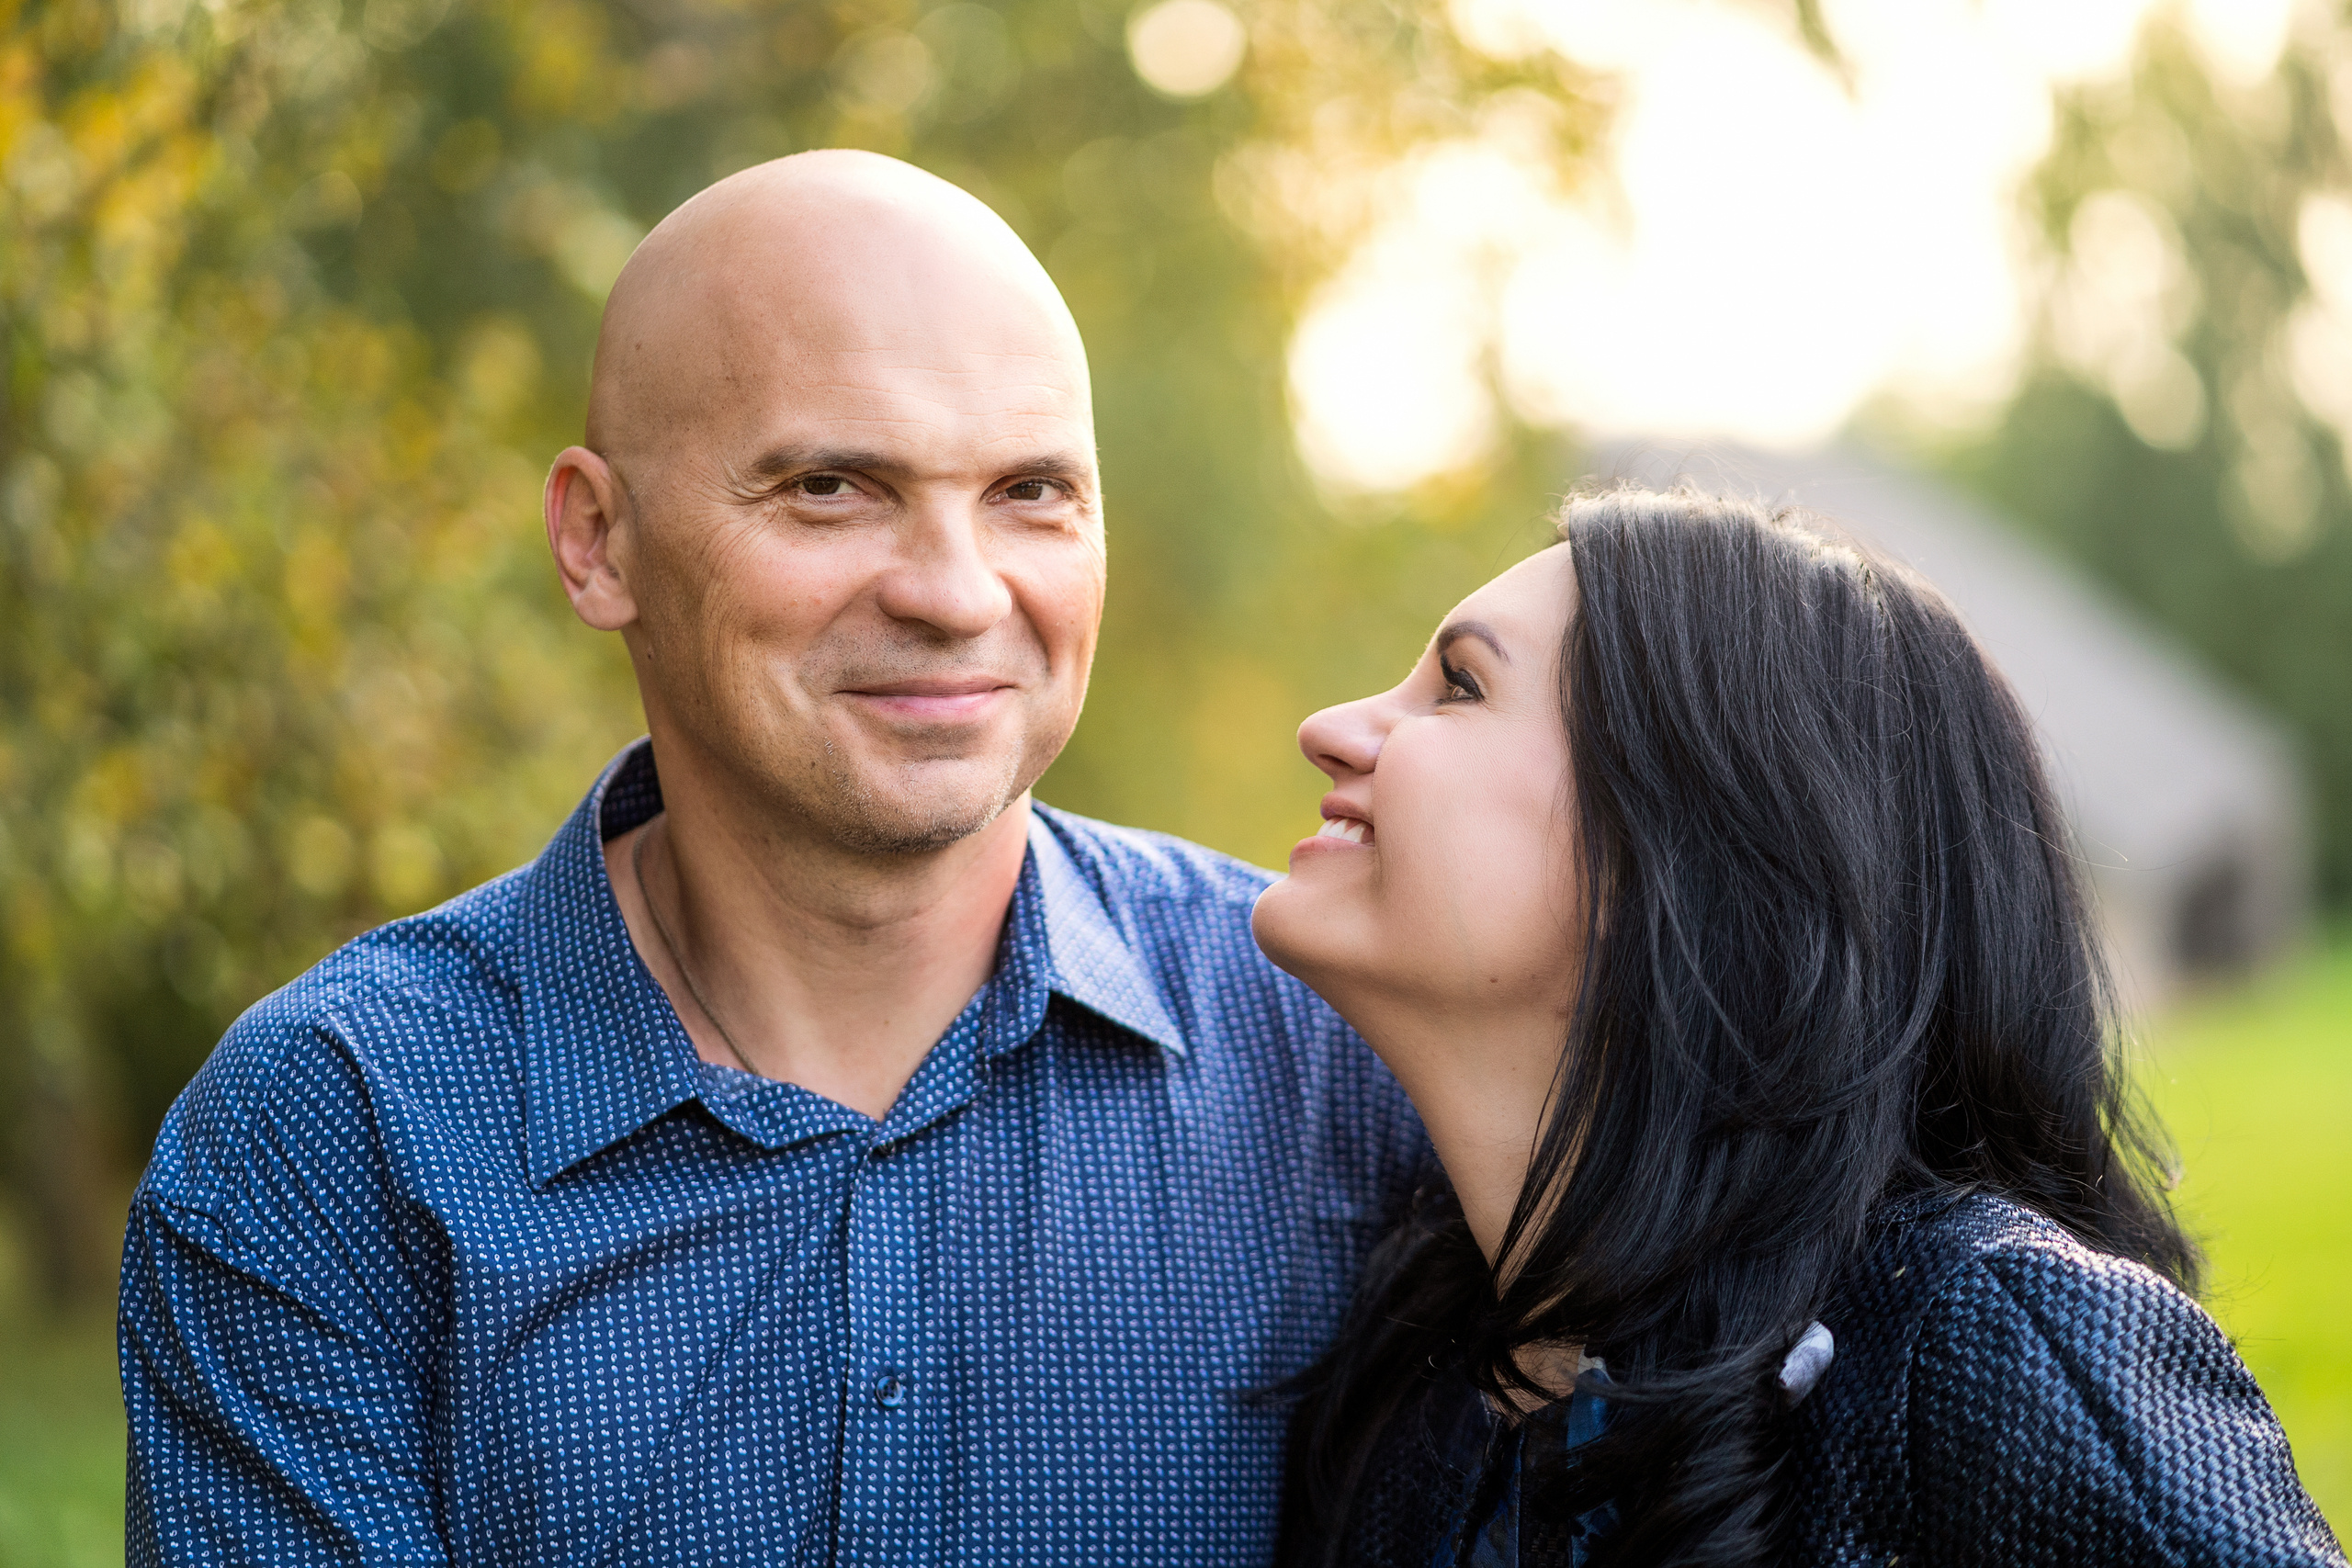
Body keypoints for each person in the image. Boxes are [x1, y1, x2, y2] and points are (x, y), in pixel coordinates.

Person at [119, 152, 1425, 1566]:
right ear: (598, 540)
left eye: (1031, 489)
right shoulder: (334, 1133)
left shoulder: (1342, 1052)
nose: (956, 592)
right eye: (829, 486)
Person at [1252, 487, 2346, 1567]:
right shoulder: (1407, 1394)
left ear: (1689, 844)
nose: (1328, 730)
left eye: (1459, 687)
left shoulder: (1993, 1351)